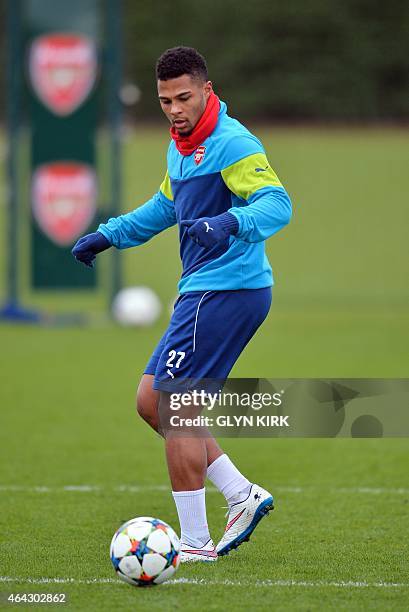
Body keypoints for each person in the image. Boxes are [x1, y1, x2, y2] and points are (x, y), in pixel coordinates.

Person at [72, 46, 292, 562]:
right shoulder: (181, 143)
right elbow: (168, 205)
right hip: (204, 290)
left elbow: (277, 204)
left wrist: (230, 222)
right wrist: (109, 235)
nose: (174, 108)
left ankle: (194, 544)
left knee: (177, 405)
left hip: (226, 288)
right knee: (153, 401)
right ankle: (242, 494)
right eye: (165, 100)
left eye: (184, 97)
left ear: (206, 91)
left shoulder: (232, 142)